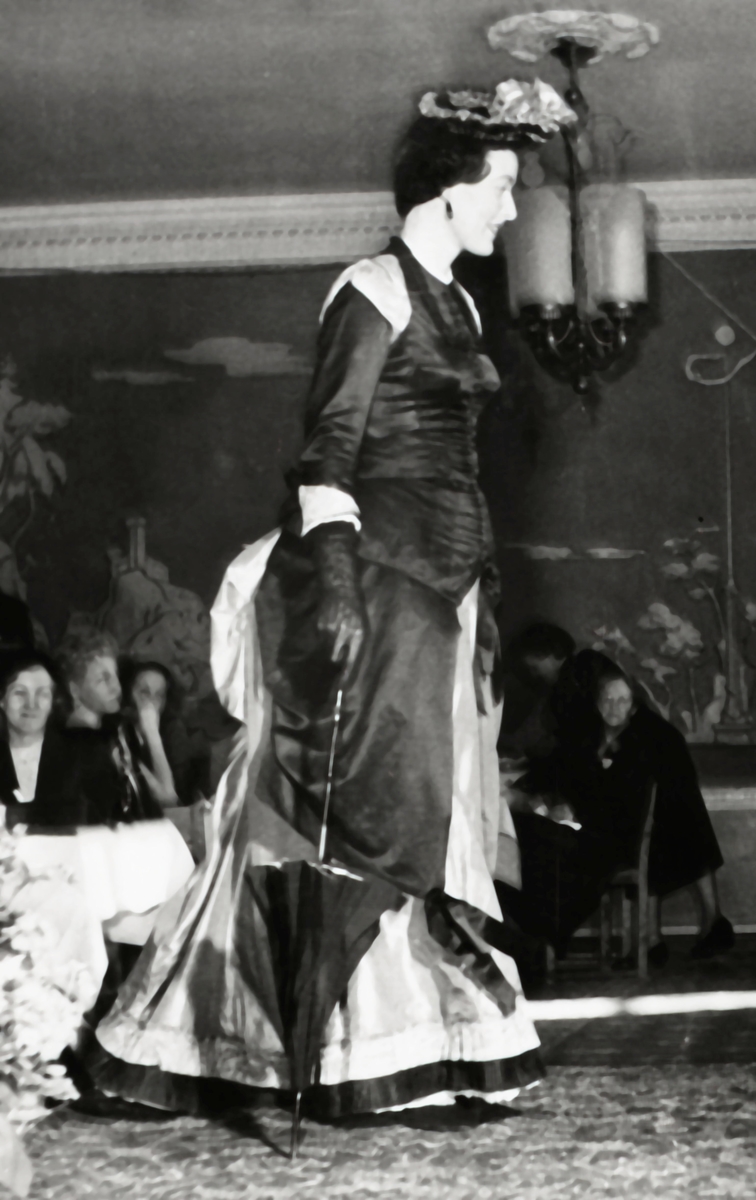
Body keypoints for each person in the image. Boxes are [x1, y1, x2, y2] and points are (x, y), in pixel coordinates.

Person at [89, 78, 576, 1125]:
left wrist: (474, 593)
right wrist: (342, 587)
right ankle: (313, 1045)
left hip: (444, 591)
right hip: (380, 580)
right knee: (369, 809)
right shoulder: (373, 288)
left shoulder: (456, 303)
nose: (510, 209)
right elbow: (328, 453)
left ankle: (427, 1043)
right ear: (446, 189)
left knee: (428, 807)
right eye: (499, 187)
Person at [501, 651, 733, 964]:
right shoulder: (637, 725)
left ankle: (647, 940)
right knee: (652, 833)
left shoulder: (628, 729)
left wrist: (540, 790)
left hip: (632, 828)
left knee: (575, 847)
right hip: (645, 821)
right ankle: (664, 936)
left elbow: (582, 775)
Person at [57, 632, 165, 825]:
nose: (116, 687)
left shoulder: (112, 733)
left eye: (115, 675)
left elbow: (162, 798)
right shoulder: (78, 747)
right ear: (75, 690)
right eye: (103, 679)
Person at [0, 648, 77, 830]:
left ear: (54, 702)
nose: (31, 704)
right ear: (2, 699)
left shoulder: (80, 755)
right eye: (20, 693)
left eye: (42, 694)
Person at [119, 659, 203, 806]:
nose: (151, 702)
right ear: (129, 693)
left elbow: (174, 798)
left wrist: (152, 734)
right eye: (144, 692)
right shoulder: (119, 732)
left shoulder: (173, 729)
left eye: (159, 695)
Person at [499, 622, 576, 758]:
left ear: (550, 655)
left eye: (534, 668)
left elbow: (529, 742)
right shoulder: (549, 690)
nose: (533, 675)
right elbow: (525, 736)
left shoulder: (572, 689)